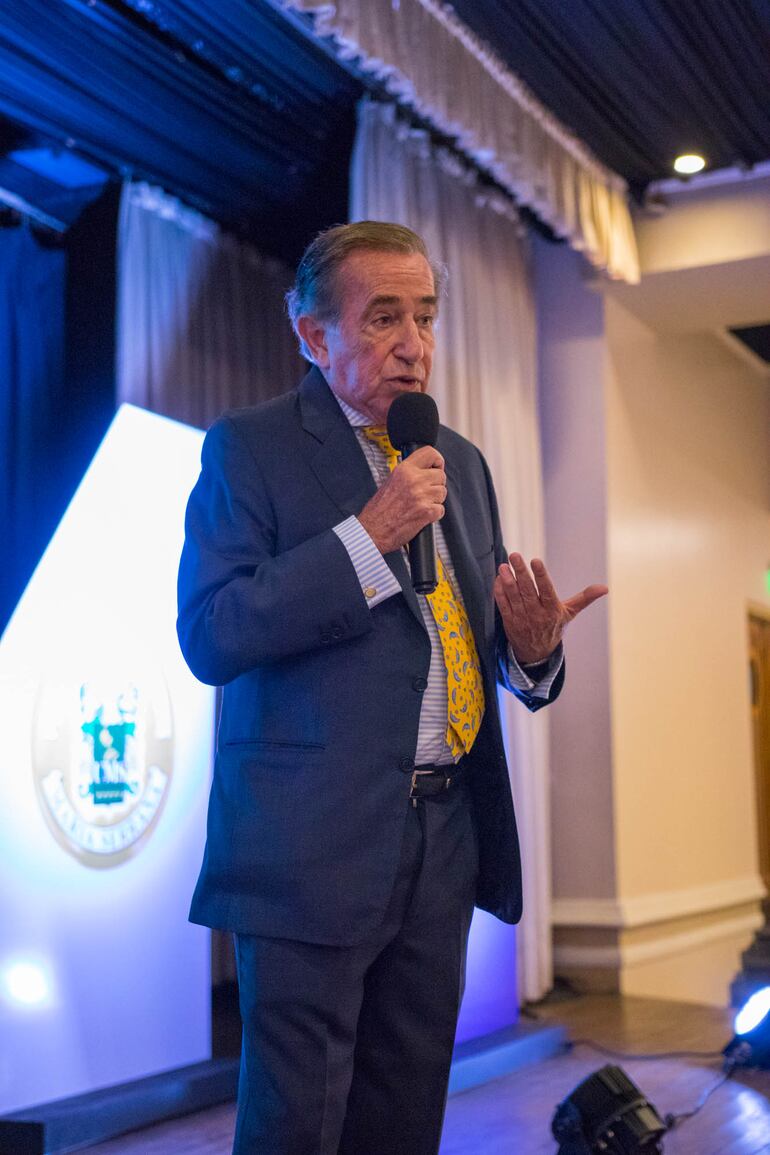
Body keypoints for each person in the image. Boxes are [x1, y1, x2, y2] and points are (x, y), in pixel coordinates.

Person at [177, 220, 607, 1155]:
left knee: (406, 1113)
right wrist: (363, 540)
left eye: (426, 316)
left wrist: (529, 653)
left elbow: (461, 643)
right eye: (383, 318)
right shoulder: (250, 451)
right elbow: (212, 634)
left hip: (442, 834)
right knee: (298, 1120)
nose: (414, 344)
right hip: (308, 844)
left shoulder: (459, 459)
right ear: (312, 335)